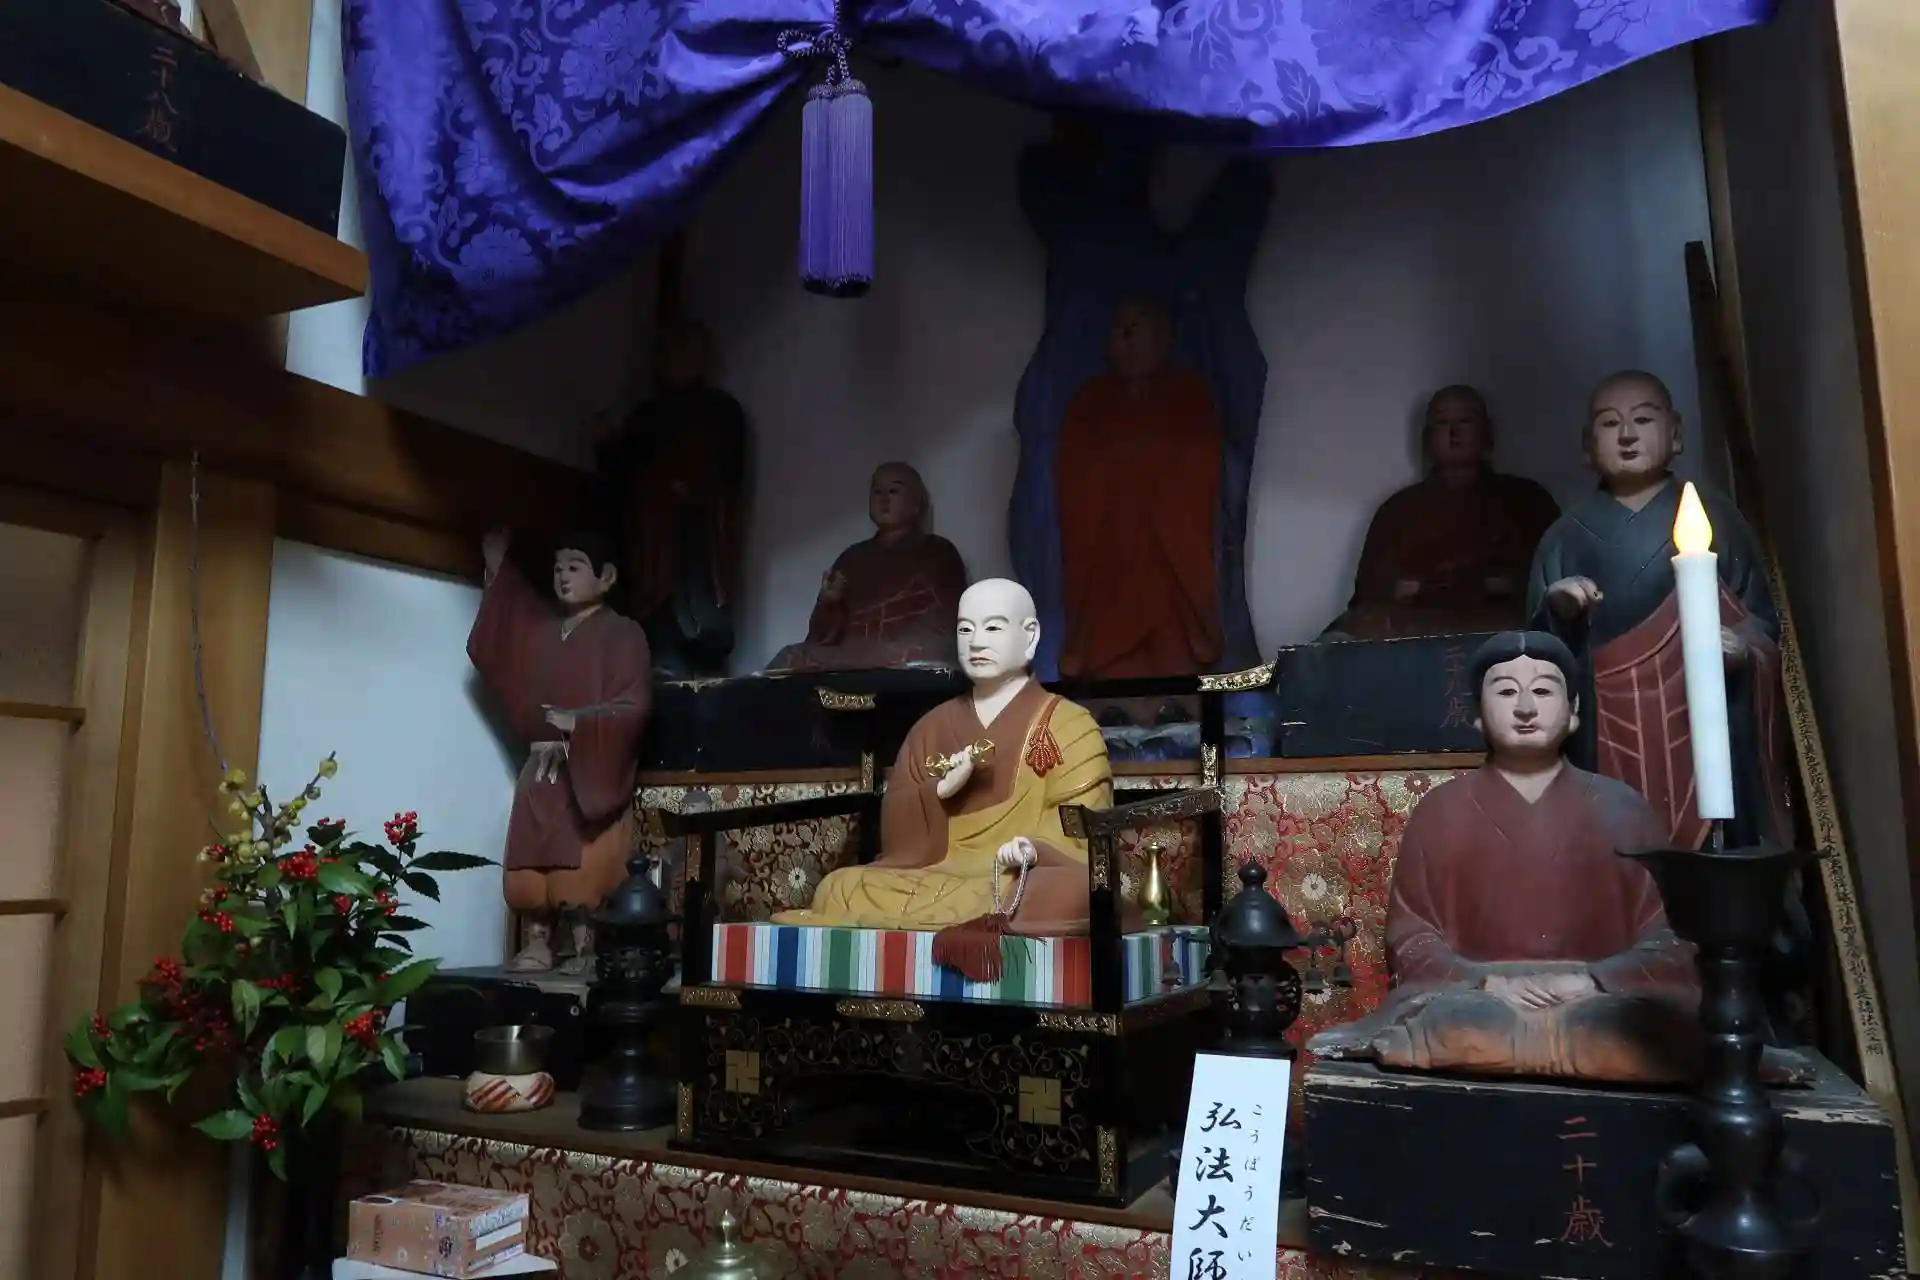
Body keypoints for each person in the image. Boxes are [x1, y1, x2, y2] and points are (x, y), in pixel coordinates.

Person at [1308, 631, 1815, 1083]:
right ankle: (1557, 1045)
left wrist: (1593, 979)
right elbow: (1412, 937)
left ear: (1573, 712)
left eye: (1544, 691)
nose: (1526, 707)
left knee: (1622, 1029)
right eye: (1506, 692)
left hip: (1599, 999)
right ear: (1478, 715)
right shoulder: (1440, 811)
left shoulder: (1622, 807)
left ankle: (1548, 1043)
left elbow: (1667, 937)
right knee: (1463, 1024)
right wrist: (1485, 980)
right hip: (1479, 998)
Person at [772, 578, 1113, 981]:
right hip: (936, 875)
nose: (976, 642)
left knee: (1070, 893)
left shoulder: (1069, 724)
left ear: (1030, 636)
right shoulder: (931, 727)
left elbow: (1085, 830)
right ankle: (944, 915)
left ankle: (966, 910)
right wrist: (937, 793)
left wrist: (1033, 848)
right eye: (965, 629)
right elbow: (897, 841)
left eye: (993, 627)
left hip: (1013, 876)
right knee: (841, 887)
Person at [1525, 371, 1790, 852]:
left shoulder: (1715, 519)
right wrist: (1558, 611)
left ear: (1676, 433)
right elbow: (1533, 655)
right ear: (1587, 445)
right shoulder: (1565, 535)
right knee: (1614, 837)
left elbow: (1761, 620)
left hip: (1698, 710)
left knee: (1714, 828)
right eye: (1610, 423)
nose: (1627, 434)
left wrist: (1741, 648)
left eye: (1643, 419)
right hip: (1605, 715)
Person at [468, 529, 652, 973]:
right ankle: (538, 938)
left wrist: (581, 723)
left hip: (586, 766)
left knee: (581, 853)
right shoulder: (542, 632)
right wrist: (498, 567)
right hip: (541, 765)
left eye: (575, 567)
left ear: (606, 577)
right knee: (530, 856)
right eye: (557, 568)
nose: (563, 577)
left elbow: (635, 704)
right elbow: (510, 624)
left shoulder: (623, 634)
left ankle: (586, 944)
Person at [1055, 298, 1224, 679]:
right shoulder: (1089, 400)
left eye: (1138, 324)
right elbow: (1074, 481)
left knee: (1175, 664)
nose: (1128, 336)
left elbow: (1200, 474)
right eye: (1120, 327)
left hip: (1169, 558)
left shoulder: (1188, 394)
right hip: (1108, 557)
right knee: (1108, 669)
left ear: (1164, 339)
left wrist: (1149, 481)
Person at [1324, 385, 1560, 640]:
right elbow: (1370, 591)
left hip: (1497, 623)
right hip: (1414, 626)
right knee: (1348, 632)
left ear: (1487, 433)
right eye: (1442, 422)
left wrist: (1492, 584)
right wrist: (1410, 588)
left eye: (1465, 421)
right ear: (1427, 438)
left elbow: (1552, 579)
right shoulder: (1398, 509)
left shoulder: (1526, 499)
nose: (1454, 432)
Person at [592, 319, 749, 679]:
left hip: (701, 530)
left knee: (701, 619)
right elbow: (620, 480)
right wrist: (605, 446)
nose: (677, 361)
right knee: (657, 626)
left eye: (687, 352)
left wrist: (692, 487)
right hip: (652, 532)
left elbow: (730, 473)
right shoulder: (644, 417)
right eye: (670, 353)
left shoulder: (722, 410)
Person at [763, 461, 969, 672]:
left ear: (916, 503)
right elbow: (822, 637)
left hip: (903, 650)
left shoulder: (938, 551)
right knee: (792, 657)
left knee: (929, 652)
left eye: (894, 491)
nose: (884, 499)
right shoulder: (852, 558)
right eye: (877, 492)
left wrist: (897, 639)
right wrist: (828, 603)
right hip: (855, 654)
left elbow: (947, 621)